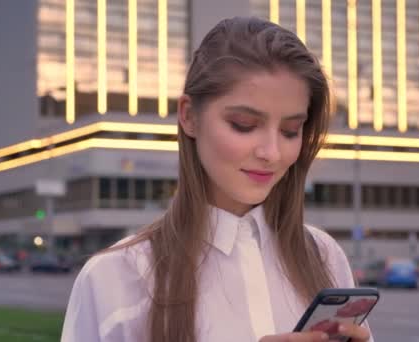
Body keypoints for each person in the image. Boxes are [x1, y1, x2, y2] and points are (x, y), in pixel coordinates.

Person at [61, 16, 374, 342]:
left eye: (290, 131)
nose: (271, 152)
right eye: (243, 124)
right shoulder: (114, 277)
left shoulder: (324, 255)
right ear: (189, 116)